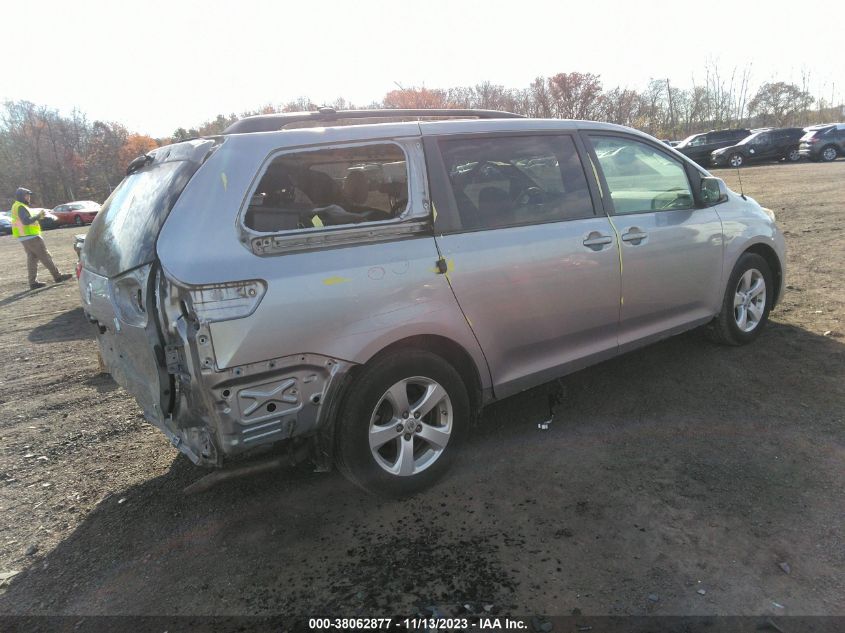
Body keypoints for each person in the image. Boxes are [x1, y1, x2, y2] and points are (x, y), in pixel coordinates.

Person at [10, 187, 72, 289]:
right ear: (22, 196)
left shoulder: (15, 206)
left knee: (32, 259)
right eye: (27, 195)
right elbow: (26, 221)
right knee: (45, 256)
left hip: (24, 237)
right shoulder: (21, 206)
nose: (28, 197)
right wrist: (38, 217)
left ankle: (33, 282)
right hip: (31, 237)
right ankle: (57, 276)